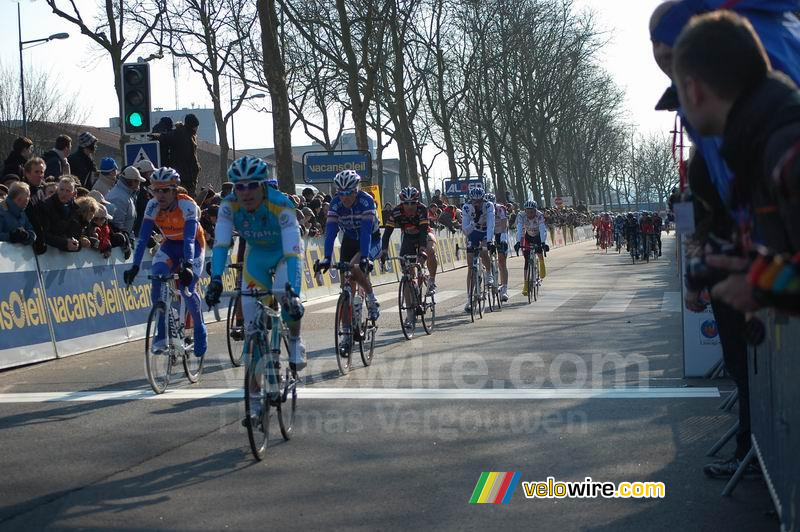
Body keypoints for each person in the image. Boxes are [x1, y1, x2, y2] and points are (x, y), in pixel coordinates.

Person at [673, 11, 800, 312]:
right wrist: (759, 269)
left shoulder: (785, 150)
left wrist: (763, 287)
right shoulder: (769, 139)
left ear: (693, 90)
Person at [205, 156, 307, 373]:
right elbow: (222, 245)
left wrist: (294, 294)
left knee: (284, 294)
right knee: (253, 326)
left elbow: (292, 254)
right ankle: (257, 390)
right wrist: (215, 279)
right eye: (240, 187)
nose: (246, 192)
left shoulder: (280, 204)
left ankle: (296, 340)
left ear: (262, 185)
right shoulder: (228, 205)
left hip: (283, 254)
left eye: (252, 186)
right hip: (257, 256)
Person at [123, 168, 207, 358]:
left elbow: (188, 238)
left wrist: (187, 264)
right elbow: (143, 239)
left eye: (165, 190)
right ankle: (161, 333)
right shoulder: (152, 205)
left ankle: (200, 329)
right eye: (155, 190)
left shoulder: (187, 205)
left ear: (175, 190)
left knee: (187, 288)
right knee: (157, 276)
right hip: (169, 245)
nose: (159, 195)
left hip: (193, 245)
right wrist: (134, 266)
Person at [317, 169, 381, 343]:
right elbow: (330, 233)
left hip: (370, 240)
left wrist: (365, 257)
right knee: (346, 285)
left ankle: (371, 297)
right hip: (350, 239)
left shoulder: (366, 201)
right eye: (341, 193)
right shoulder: (335, 204)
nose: (345, 197)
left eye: (349, 193)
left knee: (355, 267)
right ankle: (346, 334)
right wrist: (327, 258)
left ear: (357, 190)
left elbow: (367, 233)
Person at [379, 186, 439, 310]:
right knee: (407, 273)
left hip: (424, 234)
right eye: (406, 203)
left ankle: (431, 280)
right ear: (402, 203)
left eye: (413, 203)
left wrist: (422, 249)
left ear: (417, 202)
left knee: (430, 251)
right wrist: (384, 250)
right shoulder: (396, 211)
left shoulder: (422, 209)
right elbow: (387, 233)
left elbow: (423, 231)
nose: (410, 206)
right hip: (408, 237)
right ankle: (410, 312)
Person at [461, 187, 495, 313]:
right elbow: (465, 230)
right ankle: (469, 299)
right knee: (470, 266)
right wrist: (474, 222)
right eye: (474, 201)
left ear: (483, 200)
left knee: (484, 250)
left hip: (486, 231)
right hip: (474, 232)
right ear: (471, 200)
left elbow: (491, 224)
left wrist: (490, 240)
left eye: (479, 201)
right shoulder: (466, 208)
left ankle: (489, 273)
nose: (477, 204)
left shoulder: (489, 206)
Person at [150, 114, 201, 196]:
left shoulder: (190, 135)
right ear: (192, 126)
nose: (196, 129)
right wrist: (154, 136)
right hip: (183, 175)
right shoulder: (181, 134)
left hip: (188, 175)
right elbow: (165, 137)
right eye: (196, 126)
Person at [514, 200, 548, 296]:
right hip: (528, 236)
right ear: (525, 210)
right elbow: (519, 229)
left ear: (535, 210)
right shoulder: (521, 215)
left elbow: (542, 229)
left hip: (538, 236)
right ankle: (525, 285)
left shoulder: (539, 215)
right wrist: (517, 242)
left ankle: (541, 262)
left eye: (532, 211)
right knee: (526, 260)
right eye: (528, 211)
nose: (530, 214)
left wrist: (543, 242)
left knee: (539, 251)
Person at [106, 166, 145, 240]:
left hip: (125, 240)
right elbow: (117, 225)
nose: (139, 184)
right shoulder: (119, 198)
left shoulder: (127, 194)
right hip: (120, 245)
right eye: (137, 181)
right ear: (131, 181)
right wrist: (127, 239)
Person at [485, 193, 510, 301]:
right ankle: (489, 273)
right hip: (489, 233)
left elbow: (504, 222)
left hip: (500, 232)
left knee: (502, 261)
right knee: (484, 255)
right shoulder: (483, 209)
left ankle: (504, 289)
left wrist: (504, 236)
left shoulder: (500, 209)